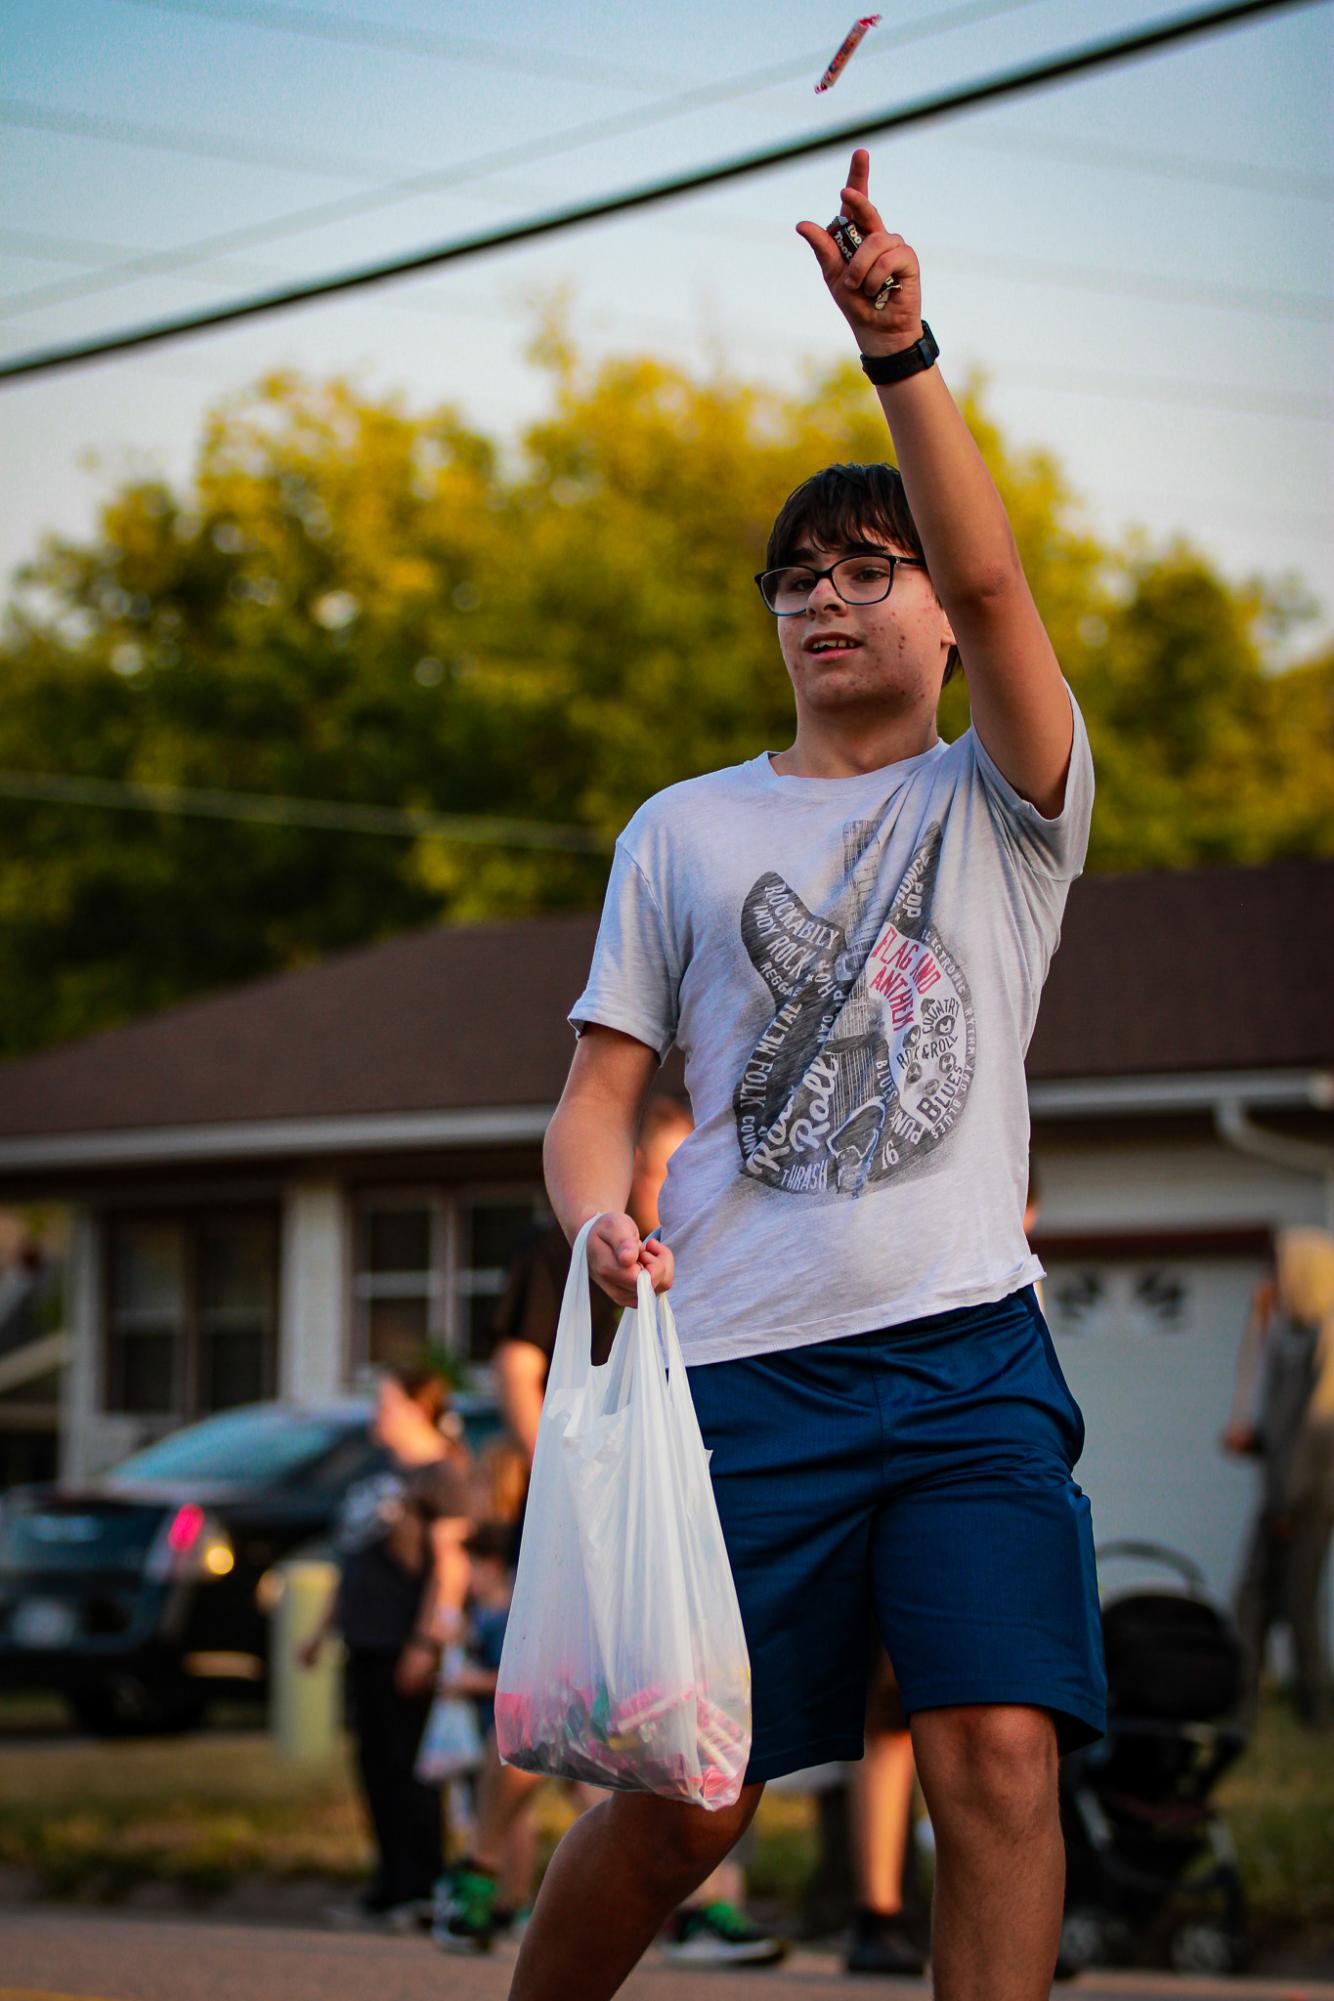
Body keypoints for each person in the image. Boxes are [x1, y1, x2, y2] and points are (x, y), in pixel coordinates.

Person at [509, 148, 1107, 2001]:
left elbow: (1006, 582)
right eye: (796, 579)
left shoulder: (998, 805)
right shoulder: (682, 834)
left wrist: (897, 347)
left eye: (867, 571)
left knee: (998, 1755)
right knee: (688, 1800)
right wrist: (596, 1220)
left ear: (937, 619)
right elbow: (598, 1094)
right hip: (739, 1379)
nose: (824, 601)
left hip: (963, 1362)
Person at [438, 1097, 786, 1967]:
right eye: (668, 1163)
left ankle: (707, 1901)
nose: (681, 1181)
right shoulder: (561, 1247)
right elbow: (523, 1372)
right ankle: (483, 1866)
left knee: (693, 1694)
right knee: (560, 1693)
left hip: (684, 1509)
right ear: (631, 1161)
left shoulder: (709, 1240)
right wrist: (580, 1477)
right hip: (594, 1507)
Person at [300, 1367, 472, 1929]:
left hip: (405, 1641)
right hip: (364, 1638)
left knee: (411, 1767)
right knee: (373, 1764)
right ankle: (388, 1883)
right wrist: (321, 1629)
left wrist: (428, 1641)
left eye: (386, 1403)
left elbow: (451, 1566)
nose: (377, 1413)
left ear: (418, 1409)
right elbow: (356, 1558)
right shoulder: (379, 1471)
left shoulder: (442, 1476)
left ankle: (421, 1888)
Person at [1224, 1226, 1334, 1729]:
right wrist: (1255, 1440)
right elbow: (1283, 1428)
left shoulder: (1325, 1343)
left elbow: (1315, 1432)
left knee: (1297, 1603)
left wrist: (1288, 1504)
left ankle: (1313, 1712)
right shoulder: (1290, 1336)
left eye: (1278, 1269)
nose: (1271, 1279)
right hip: (1280, 1494)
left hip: (1304, 1498)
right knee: (1252, 1601)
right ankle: (1242, 1706)